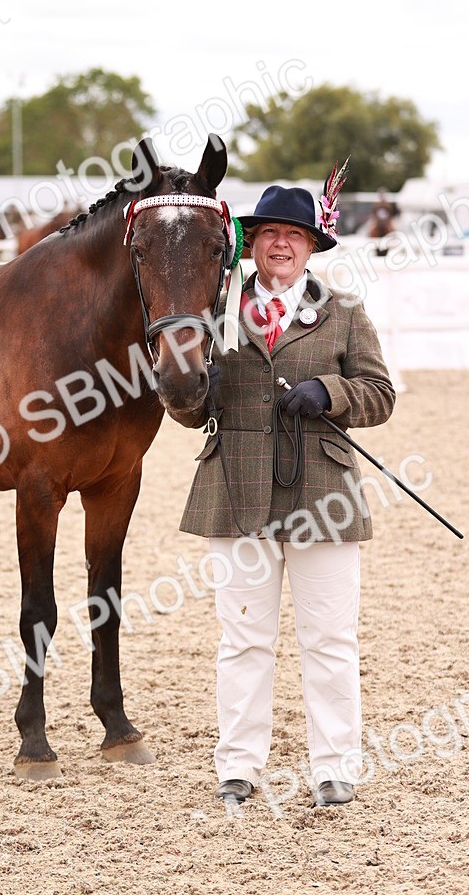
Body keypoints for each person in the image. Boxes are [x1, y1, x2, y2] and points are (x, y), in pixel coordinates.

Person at [166, 180, 395, 807]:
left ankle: (334, 767)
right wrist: (193, 389)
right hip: (234, 486)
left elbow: (380, 395)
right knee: (243, 638)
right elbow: (184, 409)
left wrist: (331, 393)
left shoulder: (343, 311)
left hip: (322, 489)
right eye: (270, 234)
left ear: (311, 245)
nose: (281, 245)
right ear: (253, 244)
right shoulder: (215, 310)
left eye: (293, 235)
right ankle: (238, 767)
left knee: (328, 637)